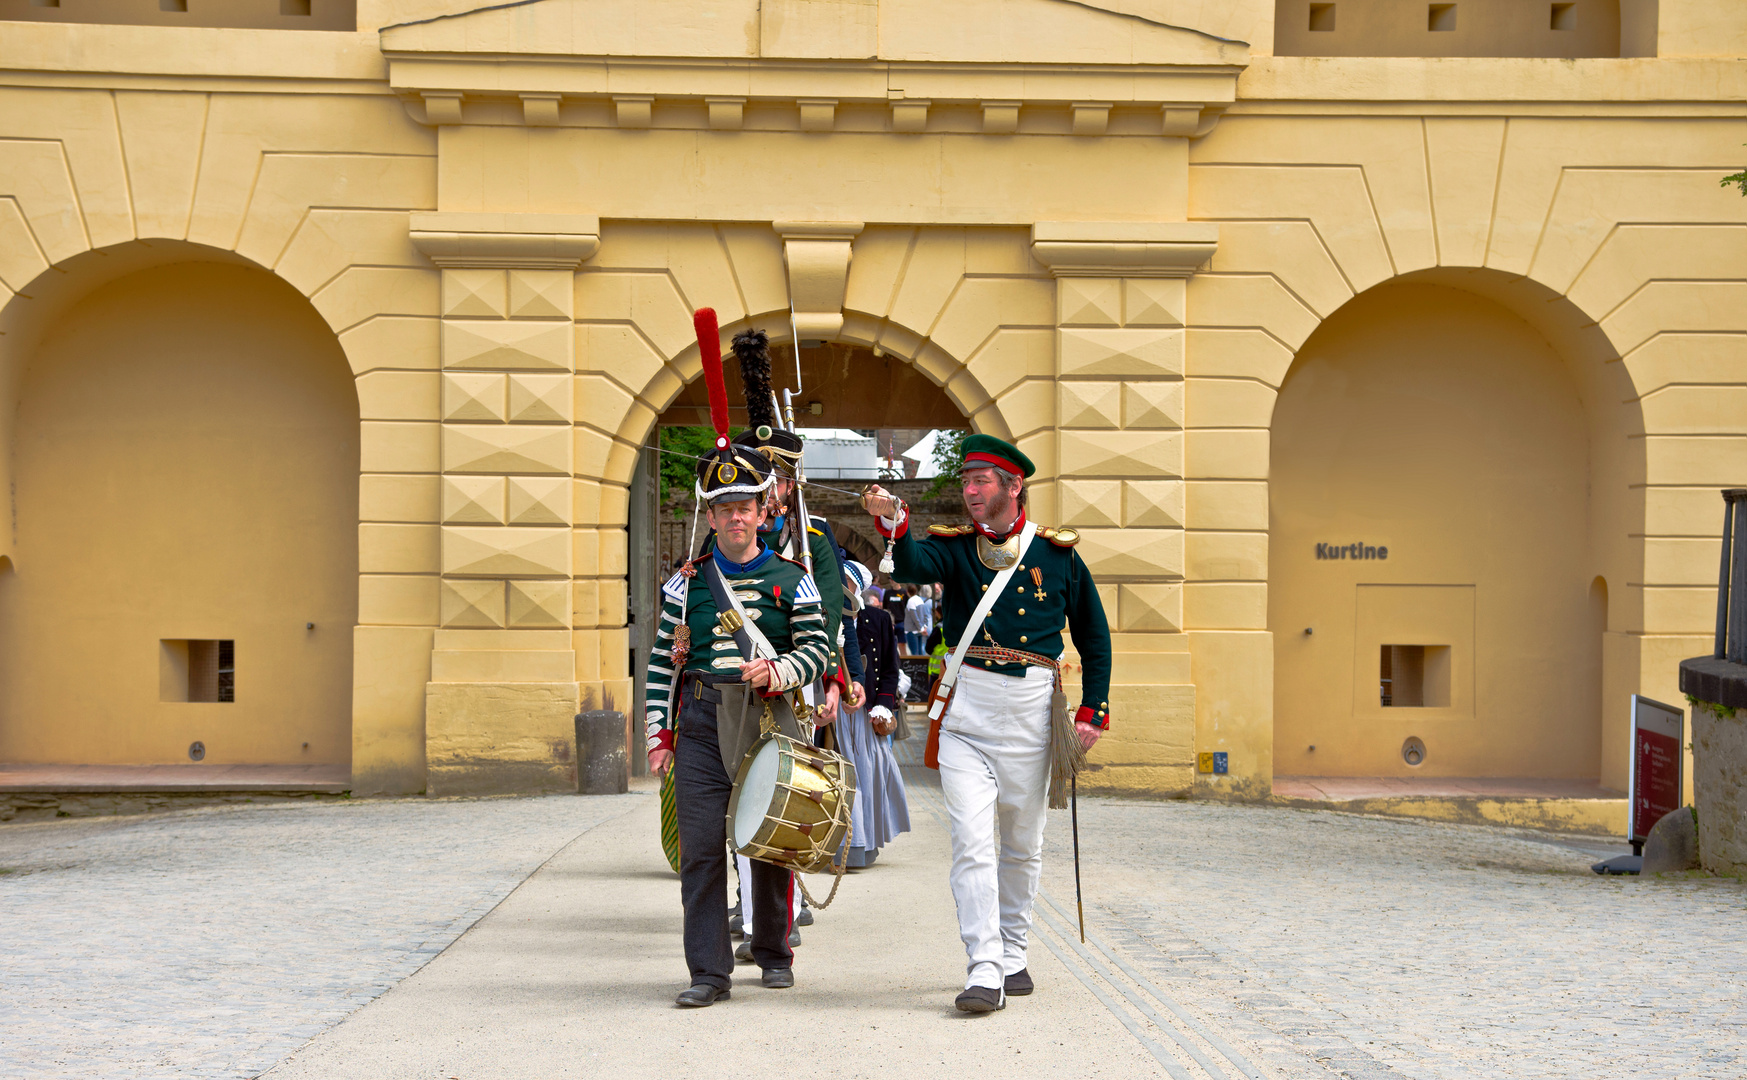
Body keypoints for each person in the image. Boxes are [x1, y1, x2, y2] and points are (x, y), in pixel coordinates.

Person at [861, 433, 1112, 1014]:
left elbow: (1094, 638)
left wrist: (1092, 711)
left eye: (981, 482)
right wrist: (895, 519)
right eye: (966, 482)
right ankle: (983, 966)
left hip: (1032, 713)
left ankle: (1015, 950)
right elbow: (909, 564)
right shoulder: (954, 548)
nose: (970, 493)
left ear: (1013, 486)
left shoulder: (1058, 556)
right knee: (972, 844)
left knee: (1022, 846)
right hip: (967, 714)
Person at [644, 435, 832, 1007]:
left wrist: (780, 670)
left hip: (767, 720)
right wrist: (660, 734)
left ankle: (774, 951)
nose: (734, 518)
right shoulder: (687, 582)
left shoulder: (792, 577)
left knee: (767, 843)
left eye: (744, 507)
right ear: (713, 514)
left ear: (761, 511)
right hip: (701, 720)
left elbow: (819, 650)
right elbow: (661, 662)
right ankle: (708, 971)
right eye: (724, 508)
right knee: (701, 850)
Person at [841, 573, 909, 867]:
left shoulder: (879, 619)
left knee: (868, 775)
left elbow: (891, 669)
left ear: (859, 585)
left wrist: (883, 705)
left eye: (846, 581)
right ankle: (838, 846)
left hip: (868, 717)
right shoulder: (823, 615)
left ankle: (862, 846)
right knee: (839, 775)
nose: (841, 587)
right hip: (835, 714)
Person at [904, 583, 934, 655]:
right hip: (920, 630)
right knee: (920, 653)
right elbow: (925, 615)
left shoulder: (911, 601)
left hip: (912, 630)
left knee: (915, 653)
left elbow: (914, 617)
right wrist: (924, 627)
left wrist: (921, 628)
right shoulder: (920, 600)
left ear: (907, 592)